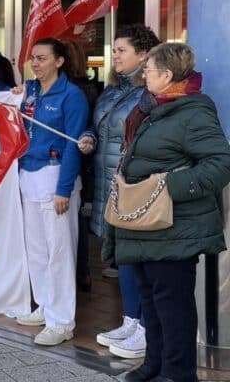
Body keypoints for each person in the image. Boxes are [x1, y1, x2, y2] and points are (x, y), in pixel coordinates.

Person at [104, 43, 230, 382]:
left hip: (173, 226)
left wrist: (167, 188)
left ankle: (177, 374)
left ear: (167, 75)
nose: (143, 73)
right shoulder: (151, 108)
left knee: (173, 307)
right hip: (143, 223)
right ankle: (154, 365)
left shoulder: (193, 111)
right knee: (152, 302)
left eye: (149, 68)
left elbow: (220, 165)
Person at [77, 25, 160, 358]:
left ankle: (144, 326)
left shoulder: (152, 91)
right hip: (107, 182)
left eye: (122, 50)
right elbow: (98, 126)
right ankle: (129, 320)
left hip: (134, 186)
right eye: (114, 50)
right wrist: (89, 138)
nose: (115, 55)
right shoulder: (112, 91)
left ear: (143, 54)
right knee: (122, 254)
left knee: (136, 256)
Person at [15, 37, 88, 346]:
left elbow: (73, 145)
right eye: (33, 58)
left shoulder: (71, 95)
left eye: (42, 58)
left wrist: (64, 189)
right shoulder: (29, 91)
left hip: (55, 177)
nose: (35, 63)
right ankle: (44, 305)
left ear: (59, 61)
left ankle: (62, 320)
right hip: (28, 175)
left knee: (59, 253)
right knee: (37, 249)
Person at [62, 39, 100, 294]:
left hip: (77, 159)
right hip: (85, 160)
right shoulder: (90, 87)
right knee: (76, 218)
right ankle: (82, 270)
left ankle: (77, 270)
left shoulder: (75, 92)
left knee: (73, 219)